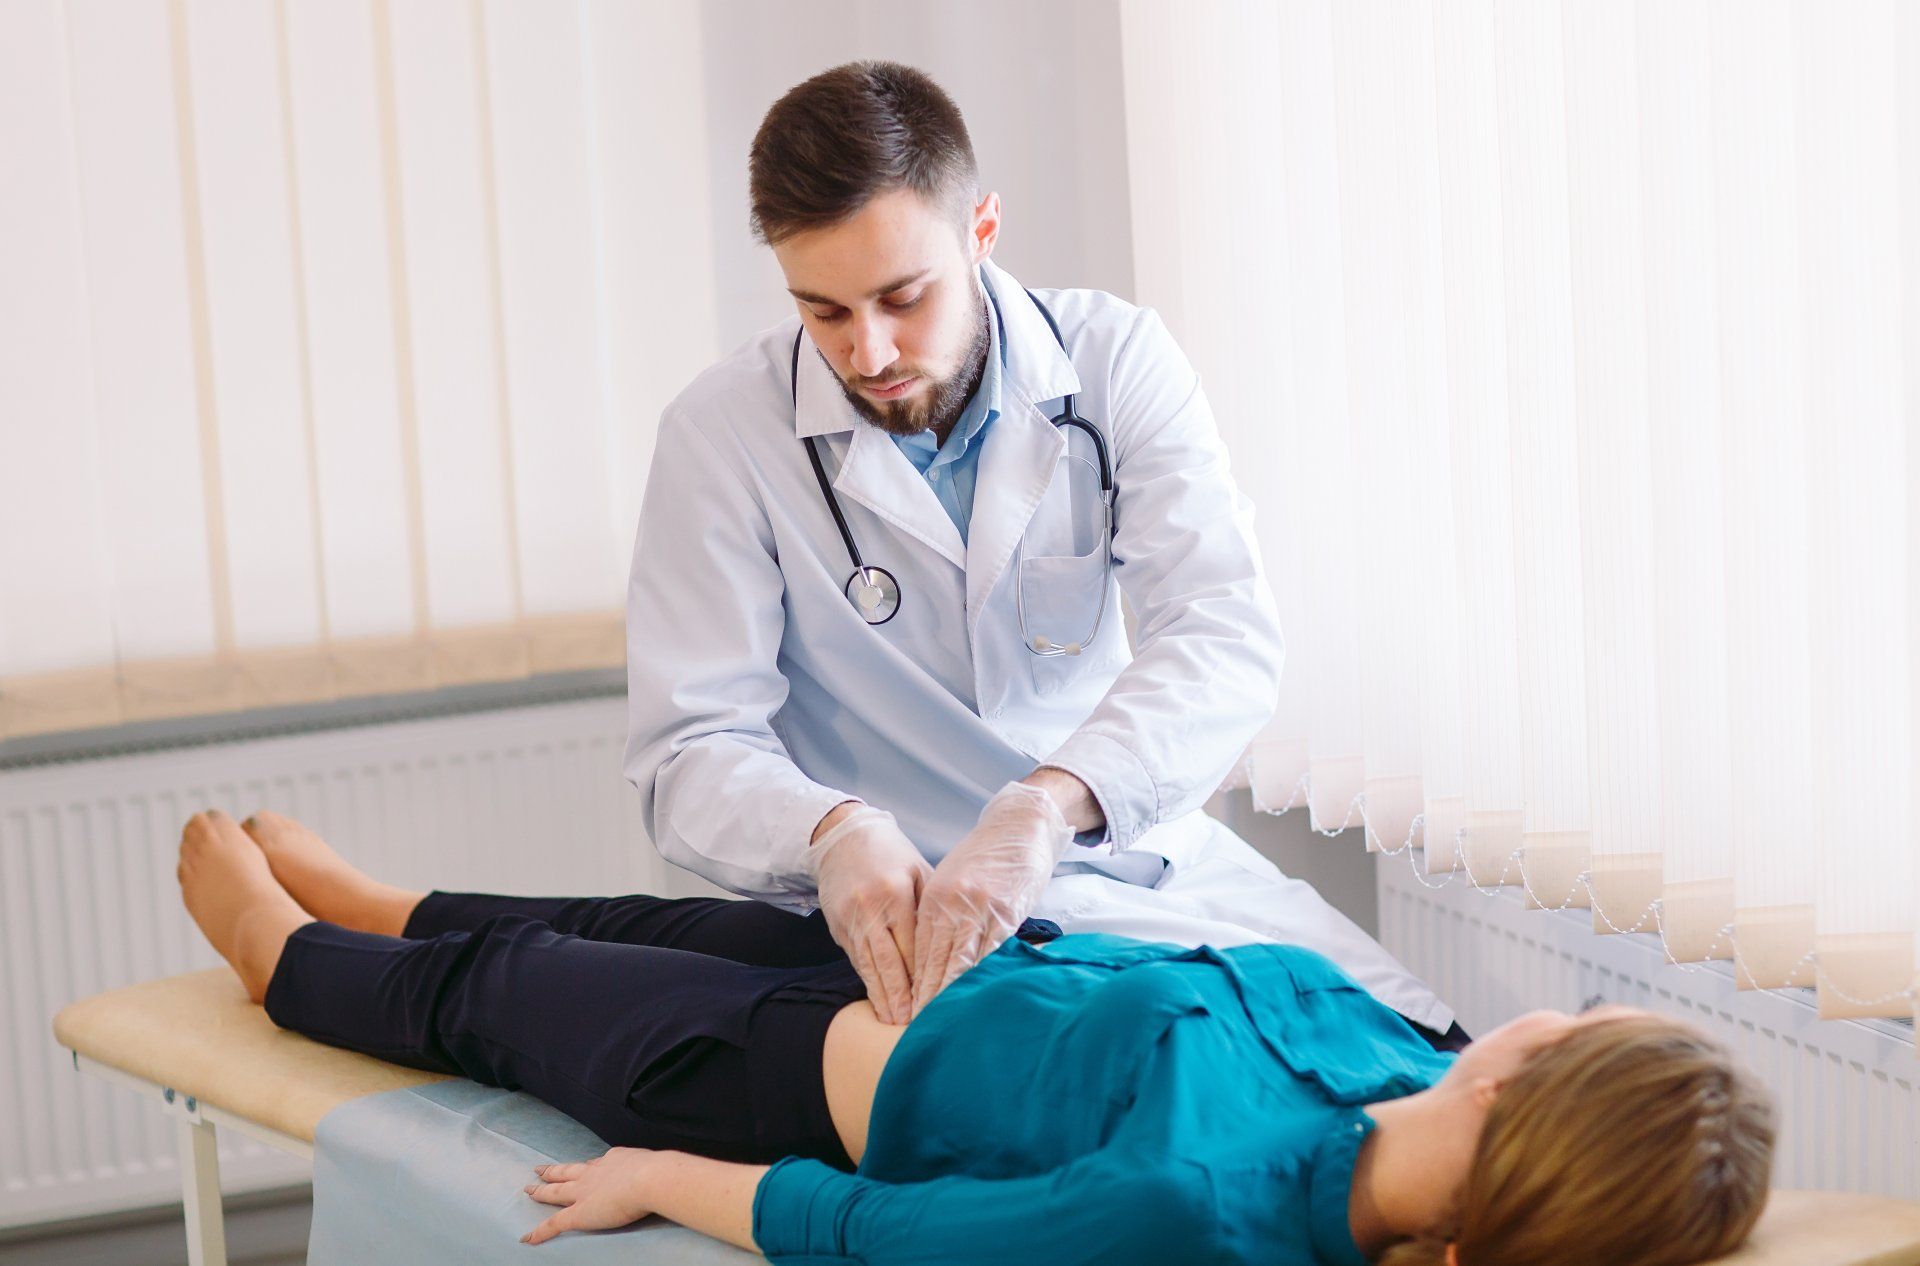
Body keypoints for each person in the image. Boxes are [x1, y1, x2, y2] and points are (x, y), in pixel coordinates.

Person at [624, 58, 1455, 1039]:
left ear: (981, 230)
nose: (872, 354)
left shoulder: (1113, 361)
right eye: (827, 313)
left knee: (1432, 1050)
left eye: (904, 297)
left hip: (1132, 852)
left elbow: (1220, 633)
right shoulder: (722, 435)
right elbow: (691, 748)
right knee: (1203, 1079)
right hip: (903, 915)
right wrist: (830, 831)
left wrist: (1046, 808)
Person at [178, 808, 1774, 1266]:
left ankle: (283, 960)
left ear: (1529, 1084)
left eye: (1592, 1018)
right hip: (933, 959)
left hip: (777, 1074)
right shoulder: (1404, 1058)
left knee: (514, 989)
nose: (1557, 1006)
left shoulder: (1205, 1207)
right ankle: (388, 899)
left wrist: (672, 1176)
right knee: (629, 913)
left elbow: (891, 1227)